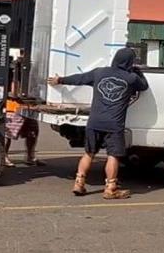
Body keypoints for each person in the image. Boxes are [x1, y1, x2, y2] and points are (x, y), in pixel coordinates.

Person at [47, 47, 148, 199]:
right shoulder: (131, 78)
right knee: (113, 155)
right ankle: (111, 188)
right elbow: (144, 86)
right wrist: (137, 71)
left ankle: (79, 183)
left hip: (94, 122)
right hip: (114, 125)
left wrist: (59, 80)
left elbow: (79, 79)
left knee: (89, 153)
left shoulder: (99, 73)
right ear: (130, 62)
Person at [3, 48, 41, 167]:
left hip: (29, 105)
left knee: (33, 132)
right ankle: (4, 156)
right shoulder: (14, 68)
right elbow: (13, 88)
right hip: (14, 105)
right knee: (8, 133)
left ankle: (30, 156)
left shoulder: (31, 68)